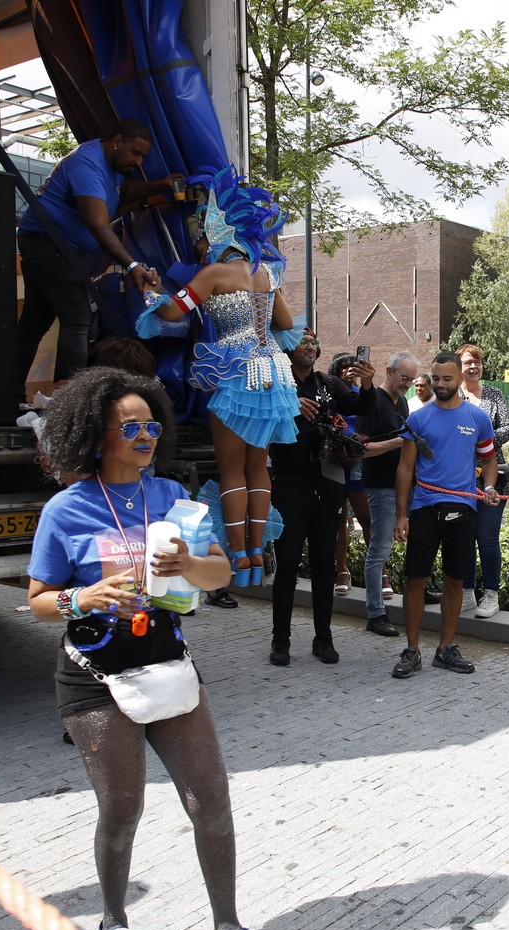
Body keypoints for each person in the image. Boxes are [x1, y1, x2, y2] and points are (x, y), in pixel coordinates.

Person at [25, 368, 293, 930]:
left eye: (151, 426)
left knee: (211, 801)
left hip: (169, 665)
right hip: (96, 678)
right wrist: (84, 598)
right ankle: (113, 923)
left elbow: (219, 571)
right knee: (122, 809)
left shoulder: (171, 496)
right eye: (130, 427)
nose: (145, 436)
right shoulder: (66, 510)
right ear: (96, 434)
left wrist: (188, 568)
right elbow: (38, 600)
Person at [141, 165, 301, 591]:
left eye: (201, 234)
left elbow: (171, 311)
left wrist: (149, 290)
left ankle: (241, 556)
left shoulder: (213, 274)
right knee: (258, 467)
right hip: (273, 375)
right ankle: (257, 551)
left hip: (234, 373)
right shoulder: (267, 273)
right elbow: (286, 324)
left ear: (217, 231)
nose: (199, 243)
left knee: (231, 469)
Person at [16, 118, 181, 385]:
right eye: (135, 153)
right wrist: (132, 266)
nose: (139, 162)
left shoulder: (112, 166)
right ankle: (68, 397)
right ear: (117, 141)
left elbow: (124, 190)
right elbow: (98, 225)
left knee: (34, 323)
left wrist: (160, 185)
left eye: (143, 157)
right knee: (78, 319)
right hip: (49, 244)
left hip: (52, 245)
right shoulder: (87, 164)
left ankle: (10, 394)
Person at [267, 332, 375, 666]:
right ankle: (280, 640)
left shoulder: (328, 384)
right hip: (290, 479)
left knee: (324, 564)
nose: (310, 346)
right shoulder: (275, 383)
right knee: (287, 564)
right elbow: (259, 419)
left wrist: (367, 384)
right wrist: (290, 404)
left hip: (328, 479)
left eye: (314, 342)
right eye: (303, 340)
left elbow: (360, 406)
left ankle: (323, 639)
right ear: (288, 348)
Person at [391, 352, 497, 679]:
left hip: (462, 509)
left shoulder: (477, 418)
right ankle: (412, 650)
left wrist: (489, 486)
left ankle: (445, 649)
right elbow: (405, 467)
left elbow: (489, 460)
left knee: (455, 581)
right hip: (424, 508)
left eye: (447, 379)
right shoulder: (418, 418)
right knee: (415, 580)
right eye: (435, 378)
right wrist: (401, 515)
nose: (440, 384)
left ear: (460, 379)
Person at [357, 350, 419, 637]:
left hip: (405, 485)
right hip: (381, 485)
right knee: (379, 550)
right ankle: (375, 612)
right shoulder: (373, 401)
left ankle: (417, 591)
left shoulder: (402, 401)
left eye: (412, 379)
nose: (408, 384)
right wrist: (396, 443)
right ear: (389, 371)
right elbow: (359, 449)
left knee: (415, 542)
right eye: (404, 378)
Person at [455, 344, 509, 618]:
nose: (473, 367)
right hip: (459, 477)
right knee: (464, 537)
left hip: (492, 473)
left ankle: (491, 594)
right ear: (458, 367)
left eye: (477, 362)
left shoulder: (494, 394)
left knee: (487, 537)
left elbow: (507, 429)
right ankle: (466, 592)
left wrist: (480, 439)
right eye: (468, 362)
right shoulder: (452, 395)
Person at [327, 353, 373, 599]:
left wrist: (358, 449)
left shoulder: (362, 395)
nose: (349, 371)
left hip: (357, 461)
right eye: (343, 367)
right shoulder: (327, 394)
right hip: (332, 462)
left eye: (352, 366)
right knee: (338, 520)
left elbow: (371, 426)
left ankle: (380, 573)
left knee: (366, 517)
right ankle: (342, 571)